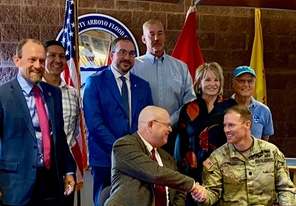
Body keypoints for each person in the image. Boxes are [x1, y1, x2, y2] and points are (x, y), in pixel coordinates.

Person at [0, 39, 76, 206]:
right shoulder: (1, 95)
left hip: (51, 184)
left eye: (41, 60)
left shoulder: (54, 93)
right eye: (32, 60)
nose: (38, 65)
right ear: (17, 60)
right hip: (15, 186)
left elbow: (60, 137)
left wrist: (68, 171)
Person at [83, 37, 153, 206]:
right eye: (122, 52)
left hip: (136, 159)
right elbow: (94, 123)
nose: (126, 58)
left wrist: (134, 152)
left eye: (131, 54)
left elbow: (148, 121)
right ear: (112, 54)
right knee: (104, 201)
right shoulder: (95, 82)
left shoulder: (143, 86)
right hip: (105, 158)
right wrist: (121, 149)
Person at [193, 105, 296, 206]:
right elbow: (212, 193)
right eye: (225, 125)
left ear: (247, 125)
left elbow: (286, 189)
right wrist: (203, 196)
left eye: (231, 125)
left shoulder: (271, 152)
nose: (226, 130)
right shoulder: (217, 157)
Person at [105, 106, 206, 206]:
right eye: (167, 125)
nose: (170, 130)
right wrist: (192, 185)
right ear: (151, 125)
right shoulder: (125, 145)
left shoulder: (167, 158)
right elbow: (154, 172)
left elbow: (178, 191)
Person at [174, 62, 236, 206]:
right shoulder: (188, 109)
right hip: (193, 172)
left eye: (216, 79)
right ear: (199, 83)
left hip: (224, 170)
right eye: (207, 79)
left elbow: (238, 137)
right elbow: (182, 141)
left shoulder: (231, 106)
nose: (213, 84)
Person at [131, 19, 196, 154]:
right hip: (143, 137)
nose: (156, 38)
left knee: (171, 174)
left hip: (173, 135)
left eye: (160, 33)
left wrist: (168, 123)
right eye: (151, 34)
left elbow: (189, 102)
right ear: (143, 39)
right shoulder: (134, 68)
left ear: (165, 36)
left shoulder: (181, 68)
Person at [43, 40, 81, 206]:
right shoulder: (34, 91)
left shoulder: (72, 93)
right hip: (41, 165)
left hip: (65, 165)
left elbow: (75, 129)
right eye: (52, 55)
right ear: (42, 59)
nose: (58, 60)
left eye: (62, 56)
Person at [231, 65, 274, 140]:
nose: (246, 85)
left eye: (250, 81)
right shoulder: (223, 108)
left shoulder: (264, 110)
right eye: (242, 81)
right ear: (233, 83)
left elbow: (265, 143)